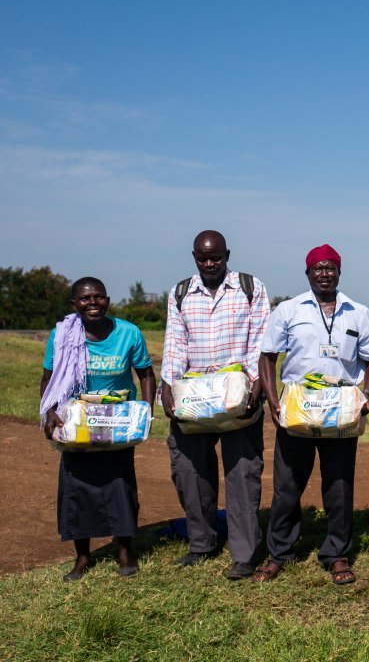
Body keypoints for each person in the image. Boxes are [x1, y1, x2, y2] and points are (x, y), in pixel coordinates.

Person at [253, 245, 369, 585]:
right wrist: (271, 400)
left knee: (339, 485)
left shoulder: (357, 312)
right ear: (307, 273)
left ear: (339, 272)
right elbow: (267, 357)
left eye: (330, 268)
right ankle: (279, 553)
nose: (324, 273)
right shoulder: (288, 310)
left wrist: (366, 394)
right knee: (287, 486)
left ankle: (336, 554)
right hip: (298, 408)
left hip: (340, 411)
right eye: (317, 268)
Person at [160, 230, 270, 581]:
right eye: (202, 258)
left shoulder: (251, 287)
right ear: (194, 256)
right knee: (189, 473)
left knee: (242, 475)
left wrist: (256, 383)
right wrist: (167, 386)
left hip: (238, 397)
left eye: (216, 258)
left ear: (227, 255)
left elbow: (260, 340)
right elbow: (176, 342)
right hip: (194, 397)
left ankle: (244, 553)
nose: (209, 264)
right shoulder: (180, 293)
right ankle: (201, 543)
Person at [39, 278, 156, 581]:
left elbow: (145, 373)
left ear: (107, 300)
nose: (93, 303)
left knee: (120, 485)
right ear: (73, 304)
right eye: (85, 298)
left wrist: (145, 412)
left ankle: (125, 550)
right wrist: (49, 412)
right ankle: (82, 557)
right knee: (77, 487)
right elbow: (49, 378)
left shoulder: (128, 332)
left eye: (99, 297)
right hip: (76, 422)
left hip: (117, 423)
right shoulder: (63, 334)